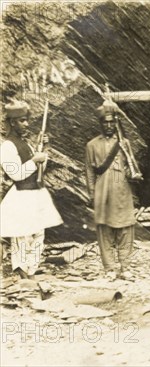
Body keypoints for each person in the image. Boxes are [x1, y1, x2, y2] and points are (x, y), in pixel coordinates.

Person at [0, 100, 63, 279]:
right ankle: (22, 272)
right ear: (12, 123)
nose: (26, 124)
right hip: (21, 195)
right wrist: (35, 159)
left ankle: (31, 271)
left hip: (36, 194)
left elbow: (40, 167)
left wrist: (44, 149)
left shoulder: (26, 143)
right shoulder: (7, 146)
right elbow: (16, 174)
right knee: (22, 235)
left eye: (27, 120)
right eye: (22, 121)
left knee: (38, 234)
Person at [85, 100, 137, 280]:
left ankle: (125, 267)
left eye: (111, 122)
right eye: (105, 122)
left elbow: (131, 168)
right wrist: (92, 193)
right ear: (100, 124)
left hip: (122, 190)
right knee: (104, 230)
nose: (108, 125)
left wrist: (132, 173)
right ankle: (109, 269)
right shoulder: (92, 145)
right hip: (102, 192)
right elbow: (90, 171)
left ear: (115, 123)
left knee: (125, 228)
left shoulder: (125, 143)